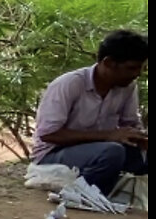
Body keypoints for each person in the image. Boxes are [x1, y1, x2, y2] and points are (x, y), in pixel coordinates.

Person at [31, 29, 148, 195]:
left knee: (133, 154)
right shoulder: (69, 84)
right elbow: (48, 134)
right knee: (113, 152)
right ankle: (83, 197)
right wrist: (108, 135)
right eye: (132, 68)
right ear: (108, 63)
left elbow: (129, 124)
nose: (137, 74)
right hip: (53, 154)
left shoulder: (127, 87)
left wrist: (140, 138)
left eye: (141, 68)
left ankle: (119, 197)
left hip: (98, 150)